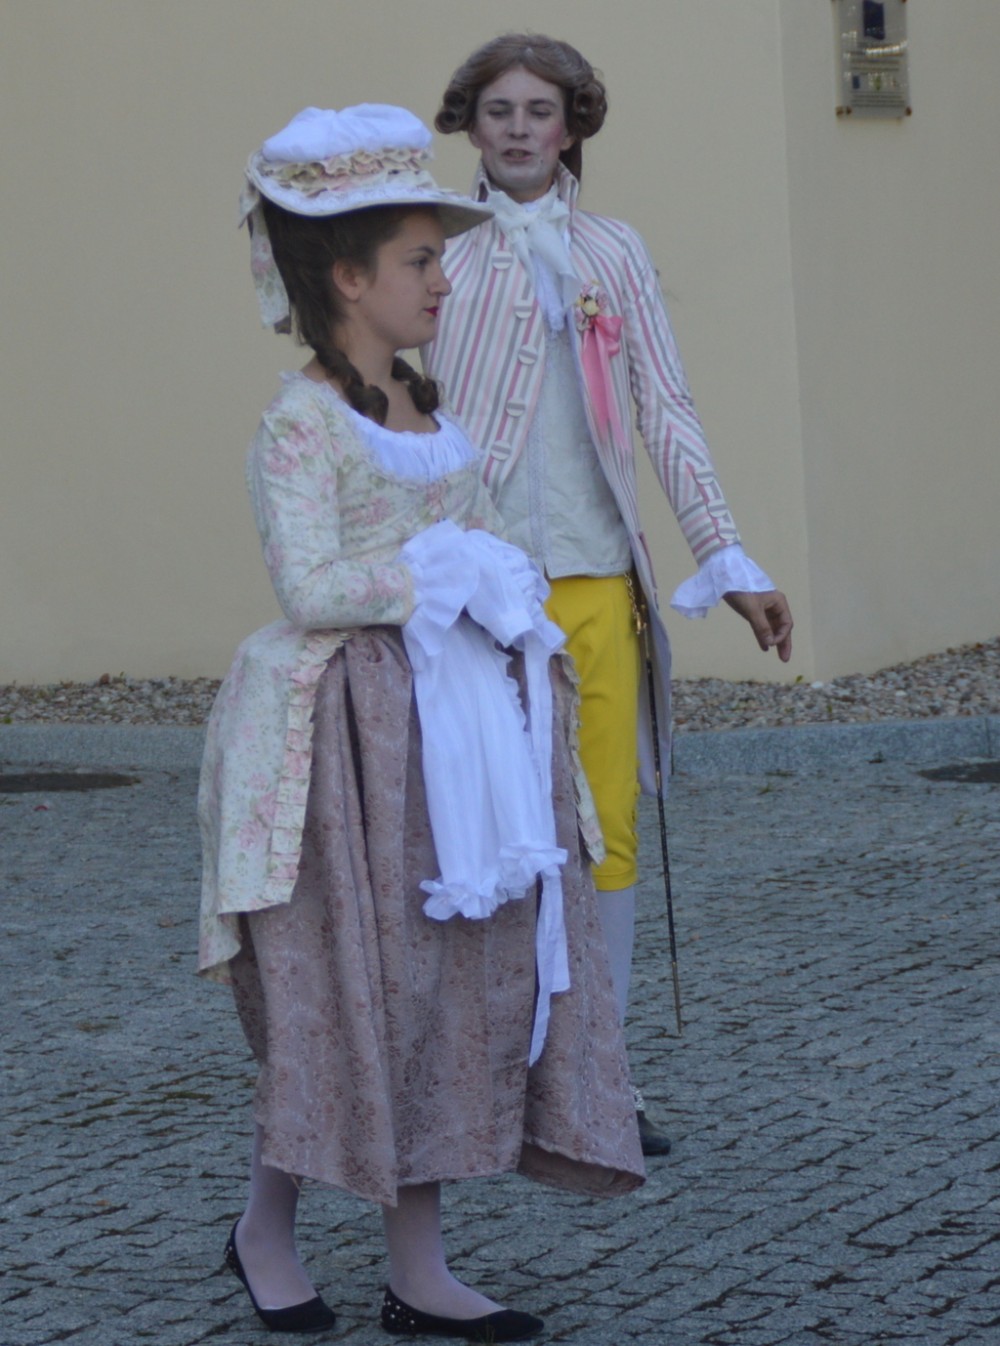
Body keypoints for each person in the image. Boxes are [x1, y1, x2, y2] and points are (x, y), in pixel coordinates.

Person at [197, 103, 643, 1343]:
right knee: (346, 996)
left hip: (454, 741)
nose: (444, 280)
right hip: (345, 747)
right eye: (421, 260)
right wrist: (436, 573)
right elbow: (310, 585)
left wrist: (496, 579)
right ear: (348, 278)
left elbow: (487, 534)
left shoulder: (430, 413)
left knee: (439, 991)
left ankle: (416, 1264)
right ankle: (268, 1231)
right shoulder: (301, 424)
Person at [425, 35, 794, 1158]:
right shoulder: (435, 250)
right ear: (470, 124)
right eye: (498, 110)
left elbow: (665, 408)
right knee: (480, 833)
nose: (519, 129)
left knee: (608, 833)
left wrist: (729, 558)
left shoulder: (613, 250)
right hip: (475, 591)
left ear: (574, 124)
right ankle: (479, 1079)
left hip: (595, 581)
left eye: (540, 109)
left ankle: (600, 1079)